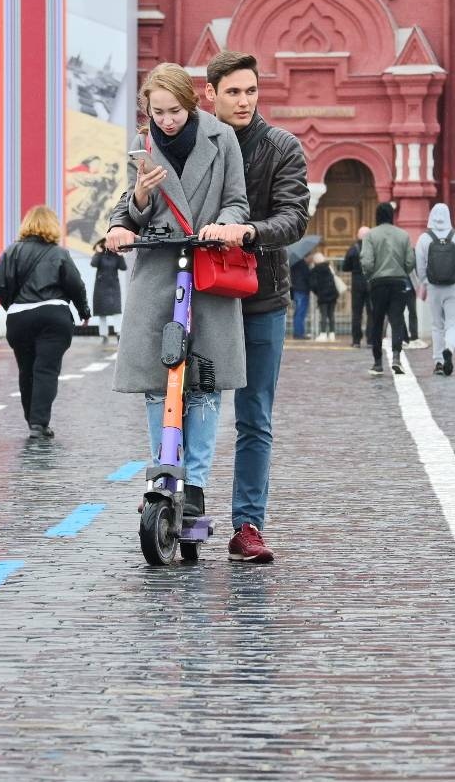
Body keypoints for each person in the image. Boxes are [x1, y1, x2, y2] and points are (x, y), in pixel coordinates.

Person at [106, 62, 251, 539]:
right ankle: (164, 469)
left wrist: (224, 225)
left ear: (190, 105)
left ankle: (197, 484)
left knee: (205, 382)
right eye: (157, 113)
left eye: (173, 111)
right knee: (156, 378)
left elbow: (237, 200)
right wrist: (137, 208)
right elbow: (128, 210)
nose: (166, 121)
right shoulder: (143, 147)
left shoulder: (221, 139)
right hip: (159, 272)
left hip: (206, 269)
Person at [195, 50, 306, 563]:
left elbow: (293, 217)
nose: (244, 101)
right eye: (233, 92)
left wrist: (249, 231)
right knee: (194, 403)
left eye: (251, 91)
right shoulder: (192, 142)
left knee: (254, 414)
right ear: (210, 94)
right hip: (203, 294)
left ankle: (247, 525)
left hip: (261, 296)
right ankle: (185, 511)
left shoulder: (282, 146)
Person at [0, 205, 90, 438]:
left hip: (19, 317)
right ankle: (39, 423)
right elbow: (75, 285)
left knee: (26, 370)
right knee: (46, 370)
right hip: (53, 316)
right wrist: (83, 310)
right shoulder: (59, 253)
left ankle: (32, 421)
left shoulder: (11, 252)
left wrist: (13, 306)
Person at [361, 202, 416, 376]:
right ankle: (397, 358)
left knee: (377, 322)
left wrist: (370, 275)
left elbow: (367, 262)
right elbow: (410, 262)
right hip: (399, 281)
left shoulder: (370, 235)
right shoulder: (403, 235)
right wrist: (402, 272)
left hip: (378, 283)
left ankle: (377, 363)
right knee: (397, 320)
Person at [416, 203, 455, 376]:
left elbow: (420, 265)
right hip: (454, 286)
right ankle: (449, 348)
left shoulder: (424, 238)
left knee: (437, 325)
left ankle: (439, 361)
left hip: (433, 287)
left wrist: (425, 282)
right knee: (453, 324)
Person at [89, 237, 126, 341]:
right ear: (102, 243)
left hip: (113, 287)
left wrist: (121, 256)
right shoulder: (100, 255)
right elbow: (93, 264)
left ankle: (119, 333)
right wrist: (97, 253)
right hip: (101, 288)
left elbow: (123, 267)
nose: (108, 244)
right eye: (106, 242)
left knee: (116, 311)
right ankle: (103, 335)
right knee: (102, 313)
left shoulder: (116, 255)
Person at [341, 226, 370, 348]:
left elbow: (345, 267)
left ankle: (356, 340)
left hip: (357, 282)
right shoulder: (373, 247)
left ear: (358, 235)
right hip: (371, 281)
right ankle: (371, 339)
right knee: (372, 312)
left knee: (357, 313)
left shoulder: (353, 249)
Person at [308, 251, 339, 340]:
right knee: (331, 314)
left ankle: (323, 333)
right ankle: (332, 334)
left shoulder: (315, 270)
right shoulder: (329, 267)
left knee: (324, 315)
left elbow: (313, 284)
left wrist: (317, 292)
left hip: (322, 295)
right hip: (333, 294)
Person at [289, 255, 311, 340]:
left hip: (296, 290)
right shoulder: (302, 264)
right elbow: (307, 276)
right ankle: (299, 334)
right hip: (302, 290)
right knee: (300, 313)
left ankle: (297, 333)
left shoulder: (294, 263)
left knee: (298, 313)